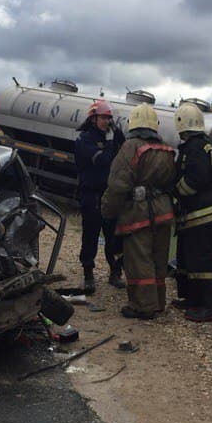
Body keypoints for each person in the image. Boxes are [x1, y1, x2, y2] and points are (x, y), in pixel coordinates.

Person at [101, 103, 176, 320]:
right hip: (163, 213)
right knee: (158, 259)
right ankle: (158, 303)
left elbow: (117, 185)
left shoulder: (130, 147)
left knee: (139, 260)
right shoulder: (166, 148)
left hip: (139, 214)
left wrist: (107, 210)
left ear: (132, 124)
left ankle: (142, 307)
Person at [172, 102, 212, 322]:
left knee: (202, 262)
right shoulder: (202, 145)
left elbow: (196, 179)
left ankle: (210, 308)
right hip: (198, 213)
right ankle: (192, 300)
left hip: (202, 214)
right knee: (188, 259)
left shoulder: (195, 148)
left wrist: (177, 192)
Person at [74, 100, 125, 292]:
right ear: (93, 118)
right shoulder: (84, 140)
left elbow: (124, 152)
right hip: (92, 195)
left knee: (114, 236)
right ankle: (88, 274)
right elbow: (103, 160)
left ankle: (115, 272)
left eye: (108, 118)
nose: (106, 121)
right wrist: (112, 142)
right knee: (91, 235)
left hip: (109, 195)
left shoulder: (111, 136)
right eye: (103, 117)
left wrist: (118, 135)